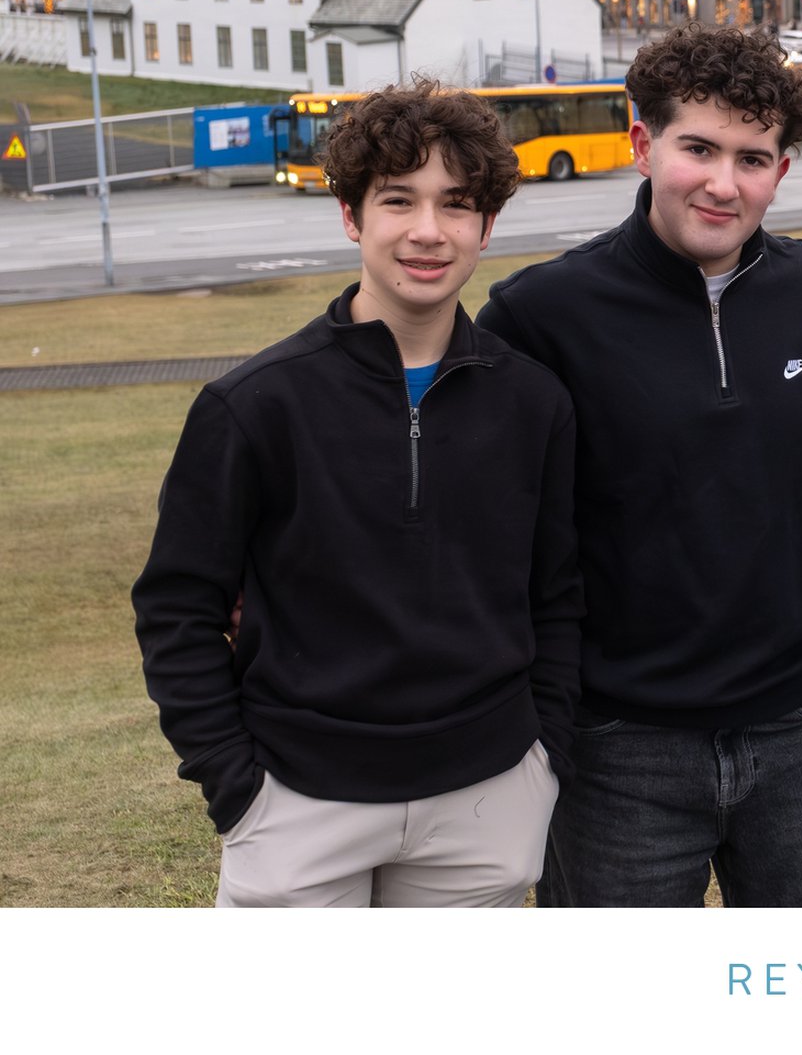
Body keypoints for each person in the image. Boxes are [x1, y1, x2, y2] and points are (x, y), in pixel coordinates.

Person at [132, 80, 582, 907]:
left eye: (456, 204)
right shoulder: (253, 404)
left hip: (487, 801)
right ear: (351, 214)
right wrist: (236, 785)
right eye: (398, 199)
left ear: (487, 225)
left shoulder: (535, 403)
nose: (428, 230)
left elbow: (556, 596)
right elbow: (177, 610)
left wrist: (541, 758)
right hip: (298, 803)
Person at [477, 24, 802, 907]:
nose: (724, 183)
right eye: (699, 148)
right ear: (642, 143)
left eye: (752, 158)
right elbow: (483, 518)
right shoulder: (541, 316)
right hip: (619, 746)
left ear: (781, 170)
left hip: (800, 727)